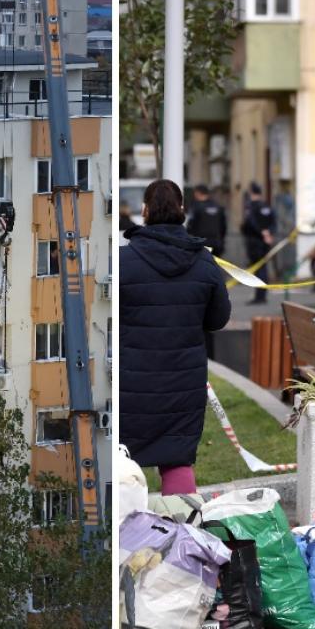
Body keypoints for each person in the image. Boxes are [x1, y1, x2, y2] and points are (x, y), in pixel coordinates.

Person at [120, 179, 232, 495]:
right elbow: (218, 320)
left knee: (123, 458)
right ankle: (180, 534)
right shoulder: (204, 262)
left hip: (133, 383)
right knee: (178, 460)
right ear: (182, 210)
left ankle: (128, 536)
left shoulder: (124, 262)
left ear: (144, 211)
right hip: (183, 384)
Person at [241, 182, 276, 304]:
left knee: (257, 268)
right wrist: (269, 234)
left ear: (251, 192)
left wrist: (262, 233)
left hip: (254, 241)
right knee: (263, 267)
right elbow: (273, 221)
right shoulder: (266, 206)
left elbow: (251, 222)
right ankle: (262, 294)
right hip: (266, 241)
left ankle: (259, 296)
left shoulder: (251, 206)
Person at [185, 184, 227, 257]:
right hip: (216, 243)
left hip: (201, 244)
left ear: (198, 193)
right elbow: (223, 226)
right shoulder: (218, 206)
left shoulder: (196, 207)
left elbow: (190, 226)